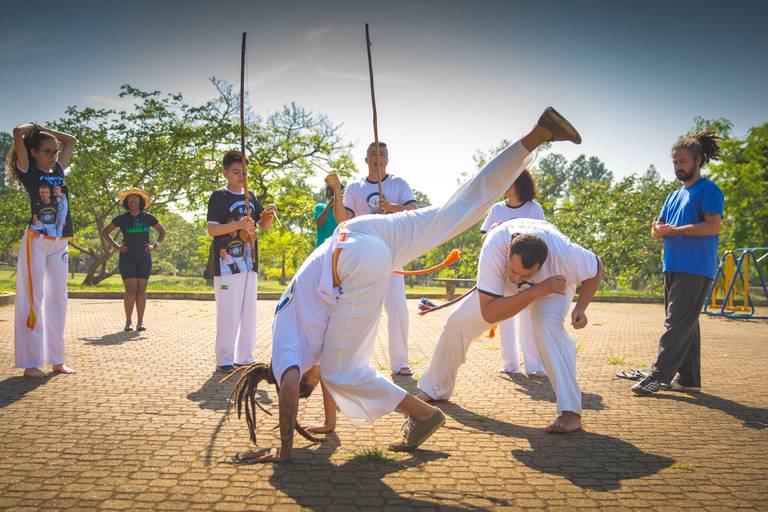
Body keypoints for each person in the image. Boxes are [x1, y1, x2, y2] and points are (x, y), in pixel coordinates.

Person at [230, 107, 583, 463]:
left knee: (339, 371)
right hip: (361, 232)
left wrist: (283, 449)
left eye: (311, 379)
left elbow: (292, 386)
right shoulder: (297, 327)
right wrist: (329, 424)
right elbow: (323, 373)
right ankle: (538, 134)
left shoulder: (283, 353)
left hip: (353, 257)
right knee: (456, 209)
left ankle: (424, 414)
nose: (313, 376)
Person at [417, 218, 601, 433]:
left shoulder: (566, 255)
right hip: (519, 287)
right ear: (507, 252)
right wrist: (535, 289)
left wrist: (581, 308)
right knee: (457, 322)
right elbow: (489, 312)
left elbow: (596, 268)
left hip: (553, 288)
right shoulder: (495, 246)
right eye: (514, 270)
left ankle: (571, 412)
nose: (518, 278)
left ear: (544, 263)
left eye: (526, 274)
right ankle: (436, 388)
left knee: (547, 327)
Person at [631, 131, 723, 396]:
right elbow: (658, 229)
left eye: (683, 161)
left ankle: (659, 376)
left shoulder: (708, 190)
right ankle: (689, 378)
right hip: (672, 265)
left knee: (676, 323)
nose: (678, 167)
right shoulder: (673, 196)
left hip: (696, 268)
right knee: (686, 323)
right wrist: (657, 231)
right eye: (675, 162)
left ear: (698, 161)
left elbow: (713, 226)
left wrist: (674, 231)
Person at [328, 142, 418, 375]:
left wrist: (393, 207)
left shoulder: (398, 184)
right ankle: (353, 363)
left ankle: (400, 362)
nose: (378, 158)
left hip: (392, 252)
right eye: (373, 154)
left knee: (397, 309)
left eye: (382, 154)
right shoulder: (355, 188)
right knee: (360, 310)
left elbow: (414, 212)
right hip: (364, 256)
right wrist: (337, 191)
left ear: (387, 159)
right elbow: (343, 220)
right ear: (366, 159)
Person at [6, 123, 77, 378]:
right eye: (47, 151)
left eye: (55, 151)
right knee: (32, 298)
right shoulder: (29, 170)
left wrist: (46, 130)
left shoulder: (58, 168)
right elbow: (17, 132)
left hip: (60, 240)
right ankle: (31, 363)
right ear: (33, 152)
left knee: (58, 299)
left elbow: (71, 140)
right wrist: (33, 128)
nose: (53, 156)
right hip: (36, 240)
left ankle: (57, 359)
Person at [206, 151, 276, 373]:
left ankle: (244, 356)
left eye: (245, 173)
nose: (241, 177)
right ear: (224, 172)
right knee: (229, 311)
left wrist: (267, 215)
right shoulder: (219, 196)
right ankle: (224, 358)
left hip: (250, 261)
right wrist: (238, 225)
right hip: (226, 262)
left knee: (248, 312)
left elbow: (263, 226)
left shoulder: (251, 196)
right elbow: (212, 229)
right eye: (236, 172)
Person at [480, 170, 546, 375]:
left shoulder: (534, 209)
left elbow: (544, 238)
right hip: (502, 271)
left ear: (518, 183)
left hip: (527, 271)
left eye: (507, 181)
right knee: (505, 316)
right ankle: (509, 364)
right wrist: (494, 231)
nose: (503, 186)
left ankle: (534, 366)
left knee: (528, 316)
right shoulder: (496, 209)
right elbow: (484, 241)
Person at [100, 188, 166, 332]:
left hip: (144, 258)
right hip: (127, 258)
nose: (133, 201)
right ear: (126, 202)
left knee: (141, 291)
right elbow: (105, 232)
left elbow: (162, 231)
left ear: (141, 201)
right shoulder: (122, 218)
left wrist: (155, 245)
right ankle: (128, 322)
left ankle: (140, 322)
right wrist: (117, 247)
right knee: (130, 291)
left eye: (136, 198)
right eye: (130, 199)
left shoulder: (148, 217)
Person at [313, 183, 341, 247]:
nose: (335, 195)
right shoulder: (320, 207)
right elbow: (319, 223)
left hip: (338, 248)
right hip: (323, 248)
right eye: (332, 192)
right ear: (327, 195)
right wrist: (329, 205)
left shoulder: (344, 211)